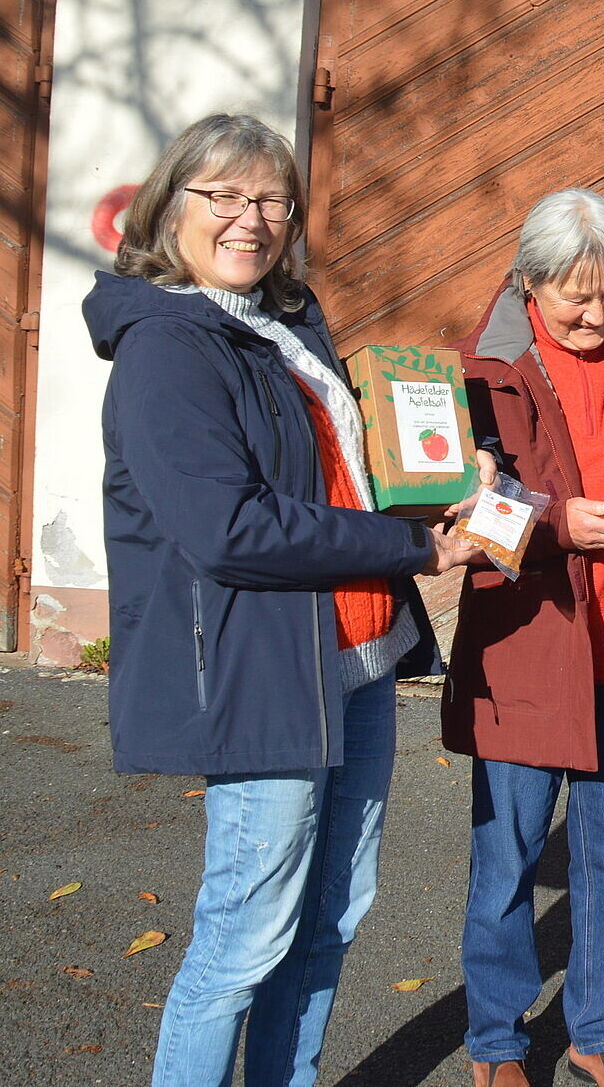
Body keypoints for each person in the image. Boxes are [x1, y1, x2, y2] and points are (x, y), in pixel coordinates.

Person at [86, 113, 475, 1087]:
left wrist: (440, 481)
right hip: (261, 670)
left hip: (357, 657)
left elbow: (329, 473)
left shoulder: (284, 317)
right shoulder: (165, 344)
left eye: (270, 198)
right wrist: (408, 544)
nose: (250, 218)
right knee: (244, 941)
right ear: (168, 205)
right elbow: (229, 527)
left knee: (332, 919)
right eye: (223, 196)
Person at [442, 189, 604, 1087]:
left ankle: (596, 1030)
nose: (598, 314)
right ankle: (495, 1043)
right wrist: (564, 524)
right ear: (529, 284)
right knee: (507, 861)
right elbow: (469, 506)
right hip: (527, 644)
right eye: (576, 299)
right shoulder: (482, 369)